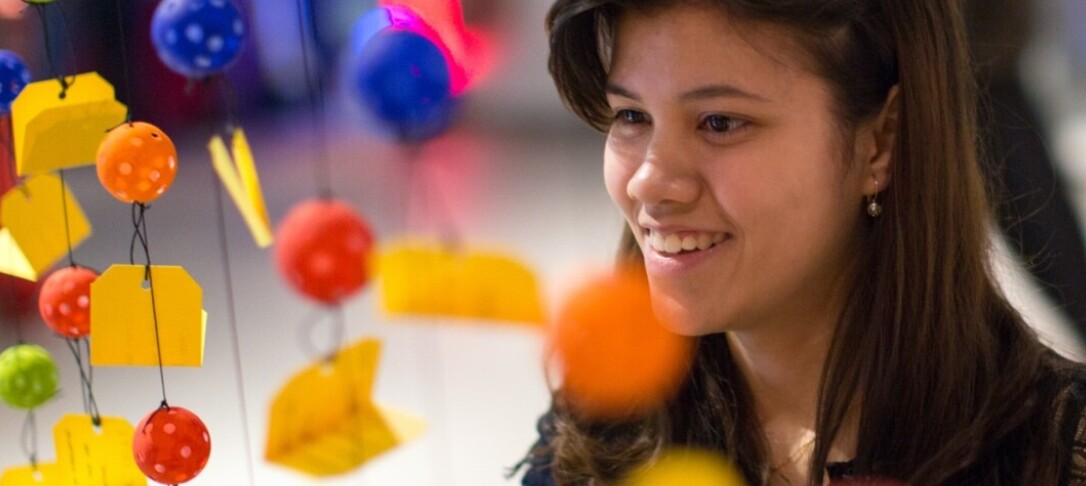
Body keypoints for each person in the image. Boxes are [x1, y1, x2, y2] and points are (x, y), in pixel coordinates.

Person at [519, 1, 1086, 485]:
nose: (649, 181)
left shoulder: (1052, 457)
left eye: (719, 122)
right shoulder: (603, 429)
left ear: (881, 142)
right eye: (631, 115)